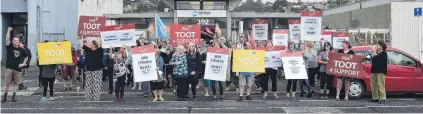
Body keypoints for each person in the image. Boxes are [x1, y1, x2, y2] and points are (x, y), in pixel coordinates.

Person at [2, 27, 28, 102]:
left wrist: (23, 64)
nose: (16, 41)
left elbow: (26, 57)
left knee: (16, 84)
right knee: (7, 84)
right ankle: (5, 97)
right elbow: (7, 39)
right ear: (12, 41)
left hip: (18, 69)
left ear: (19, 41)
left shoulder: (22, 49)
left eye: (17, 40)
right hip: (9, 68)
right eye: (15, 40)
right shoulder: (9, 47)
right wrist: (8, 31)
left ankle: (14, 97)